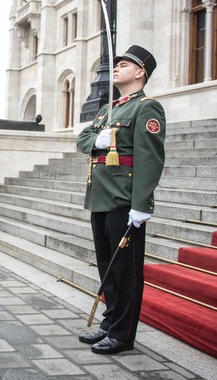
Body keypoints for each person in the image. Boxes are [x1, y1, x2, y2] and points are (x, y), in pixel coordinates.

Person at [76, 45, 166, 355]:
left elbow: (150, 159)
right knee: (108, 268)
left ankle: (123, 334)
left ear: (140, 72)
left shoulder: (146, 108)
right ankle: (110, 322)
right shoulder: (107, 109)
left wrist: (142, 204)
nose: (115, 68)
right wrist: (96, 140)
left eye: (124, 64)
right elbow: (82, 138)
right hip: (99, 198)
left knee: (126, 272)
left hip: (124, 201)